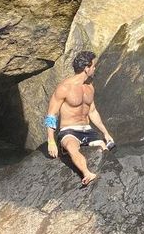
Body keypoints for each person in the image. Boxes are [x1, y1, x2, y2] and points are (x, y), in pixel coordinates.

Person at [44, 50, 114, 186]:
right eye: (93, 66)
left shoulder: (89, 87)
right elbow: (51, 115)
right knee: (71, 146)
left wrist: (106, 133)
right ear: (86, 68)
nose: (95, 69)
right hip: (69, 130)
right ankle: (87, 173)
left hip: (87, 130)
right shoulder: (64, 88)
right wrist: (51, 141)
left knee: (103, 147)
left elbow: (92, 111)